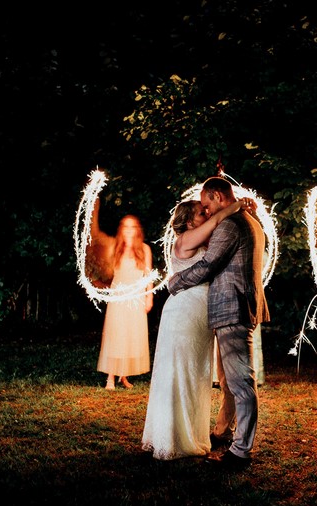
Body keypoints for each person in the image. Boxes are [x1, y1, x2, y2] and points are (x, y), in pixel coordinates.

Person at [167, 176, 270, 468]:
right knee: (235, 381)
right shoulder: (250, 220)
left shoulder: (231, 224)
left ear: (217, 195)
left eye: (207, 204)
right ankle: (230, 437)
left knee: (240, 383)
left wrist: (176, 282)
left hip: (232, 307)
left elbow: (209, 264)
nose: (207, 210)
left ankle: (240, 452)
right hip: (241, 305)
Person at [141, 198, 249, 460]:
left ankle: (186, 433)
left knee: (194, 376)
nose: (208, 213)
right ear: (189, 221)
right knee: (179, 374)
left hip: (199, 315)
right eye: (202, 212)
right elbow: (215, 222)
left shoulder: (200, 242)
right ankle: (173, 438)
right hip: (184, 314)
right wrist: (235, 206)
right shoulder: (186, 239)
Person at [92, 204, 154, 390]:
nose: (128, 230)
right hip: (119, 298)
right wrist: (97, 283)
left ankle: (123, 376)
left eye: (132, 227)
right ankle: (110, 377)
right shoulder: (114, 248)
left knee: (131, 336)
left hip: (136, 298)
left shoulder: (144, 249)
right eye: (125, 226)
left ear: (137, 231)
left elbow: (148, 276)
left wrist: (148, 298)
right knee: (116, 335)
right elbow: (100, 265)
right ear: (121, 230)